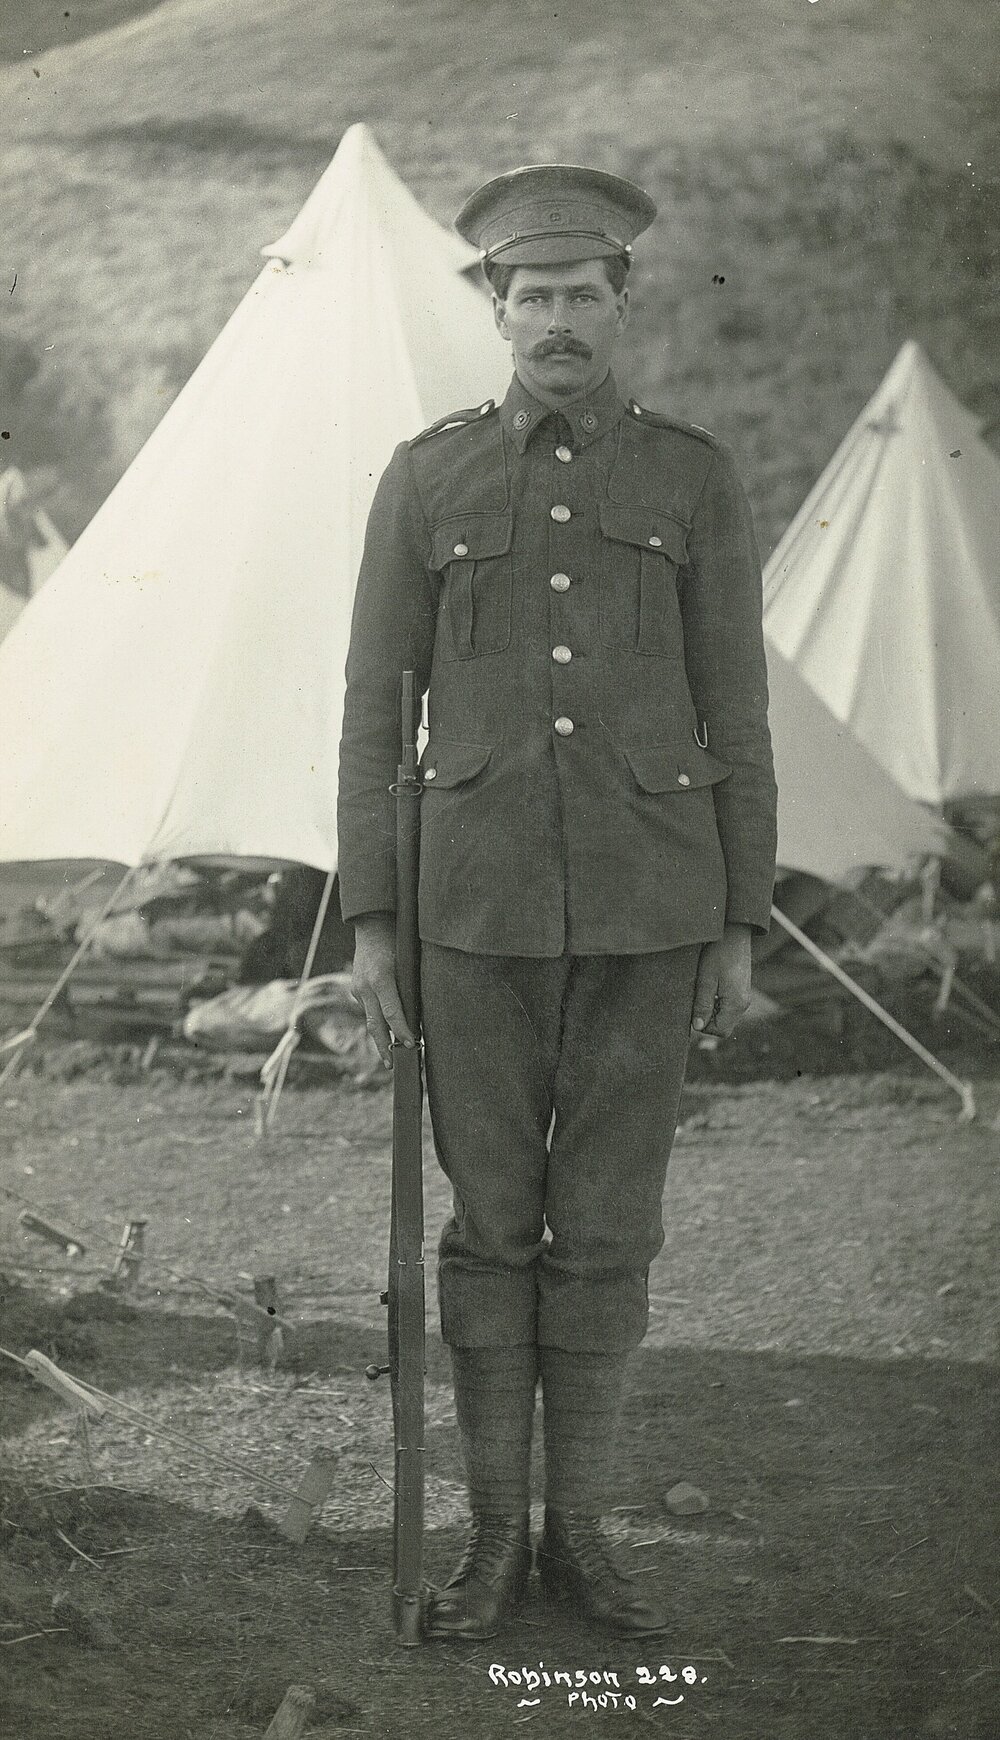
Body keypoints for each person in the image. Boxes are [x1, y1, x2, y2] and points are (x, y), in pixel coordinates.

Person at [337, 163, 778, 1641]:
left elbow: (739, 708)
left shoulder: (692, 478)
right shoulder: (428, 476)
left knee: (604, 1230)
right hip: (470, 914)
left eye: (586, 295)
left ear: (625, 301)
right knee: (487, 1228)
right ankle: (488, 1547)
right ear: (494, 307)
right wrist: (375, 923)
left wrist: (739, 920)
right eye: (533, 297)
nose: (560, 322)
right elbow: (367, 712)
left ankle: (579, 1537)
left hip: (654, 915)